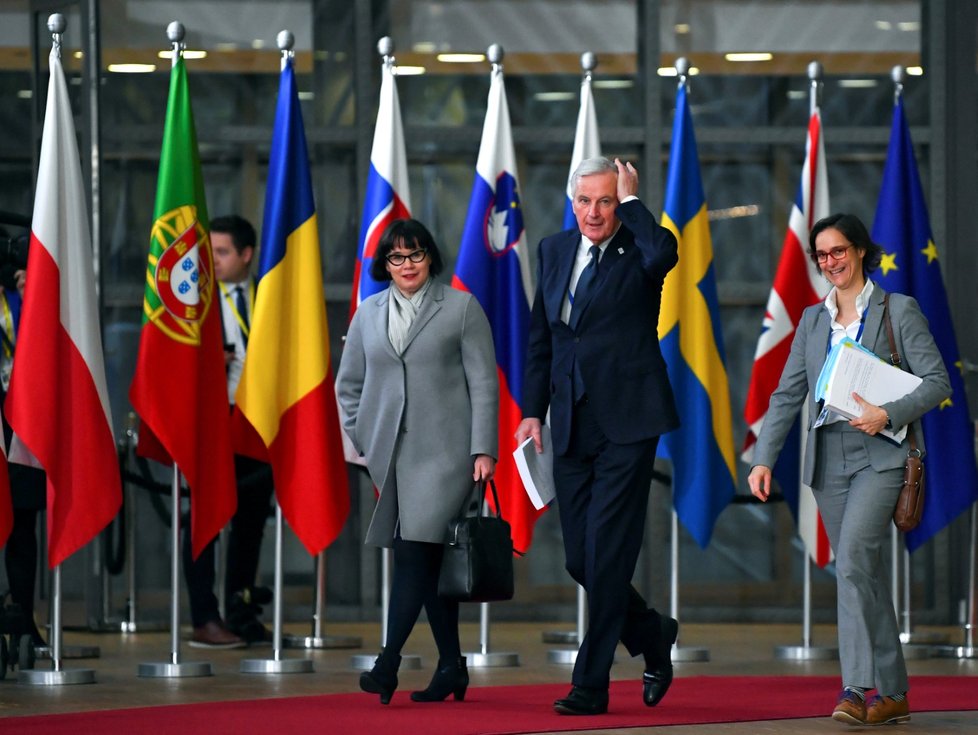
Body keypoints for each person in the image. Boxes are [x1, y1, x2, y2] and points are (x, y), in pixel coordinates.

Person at [747, 213, 950, 727]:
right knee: (860, 572)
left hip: (882, 454)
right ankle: (896, 692)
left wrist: (889, 412)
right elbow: (787, 393)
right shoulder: (812, 321)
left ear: (860, 251)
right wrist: (764, 456)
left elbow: (937, 382)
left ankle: (857, 689)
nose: (830, 262)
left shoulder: (897, 310)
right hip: (828, 460)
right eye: (822, 254)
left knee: (856, 558)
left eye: (839, 251)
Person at [515, 156, 681, 716]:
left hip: (629, 421)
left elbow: (665, 253)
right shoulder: (554, 249)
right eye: (584, 201)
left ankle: (591, 682)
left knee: (607, 553)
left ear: (620, 202)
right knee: (581, 561)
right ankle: (653, 634)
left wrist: (635, 205)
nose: (593, 212)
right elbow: (545, 335)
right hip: (570, 423)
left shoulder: (641, 248)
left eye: (605, 201)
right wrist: (533, 409)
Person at [336, 218, 498, 706]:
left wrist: (483, 449)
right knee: (427, 561)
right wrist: (364, 440)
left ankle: (387, 665)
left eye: (416, 255)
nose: (406, 265)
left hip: (448, 457)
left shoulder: (461, 308)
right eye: (396, 257)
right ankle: (451, 666)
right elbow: (349, 386)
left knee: (412, 555)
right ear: (385, 264)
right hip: (393, 460)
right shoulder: (368, 313)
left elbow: (484, 385)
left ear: (431, 257)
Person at [181, 214, 275, 648]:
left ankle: (240, 611)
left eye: (221, 252)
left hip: (256, 423)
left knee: (251, 522)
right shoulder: (194, 298)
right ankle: (205, 616)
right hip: (213, 423)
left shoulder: (269, 294)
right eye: (210, 251)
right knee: (203, 520)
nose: (213, 260)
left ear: (246, 255)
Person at [0, 265, 47, 648]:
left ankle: (24, 618)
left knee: (22, 520)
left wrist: (38, 293)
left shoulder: (22, 298)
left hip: (21, 418)